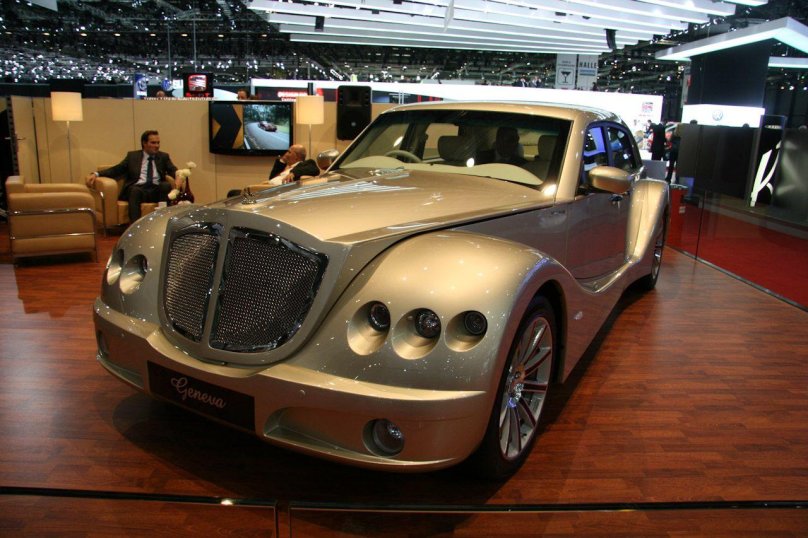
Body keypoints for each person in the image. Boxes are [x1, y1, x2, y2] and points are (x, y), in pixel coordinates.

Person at [86, 130, 177, 223]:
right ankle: (135, 225)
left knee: (165, 185)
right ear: (144, 143)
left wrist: (181, 175)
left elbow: (173, 170)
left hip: (156, 190)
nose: (157, 146)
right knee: (134, 190)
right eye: (153, 143)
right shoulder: (132, 156)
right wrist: (96, 174)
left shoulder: (163, 156)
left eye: (158, 143)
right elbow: (117, 169)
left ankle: (163, 221)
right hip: (139, 190)